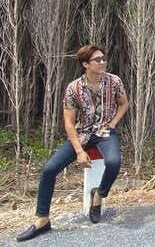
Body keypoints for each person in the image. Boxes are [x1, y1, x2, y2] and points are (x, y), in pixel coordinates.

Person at [17, 45, 129, 242]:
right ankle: (42, 220)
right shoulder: (73, 88)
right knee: (49, 169)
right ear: (86, 64)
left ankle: (98, 195)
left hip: (105, 132)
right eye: (97, 60)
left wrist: (113, 123)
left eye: (103, 58)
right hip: (82, 134)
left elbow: (124, 103)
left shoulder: (114, 81)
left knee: (114, 162)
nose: (102, 62)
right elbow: (69, 123)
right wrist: (79, 151)